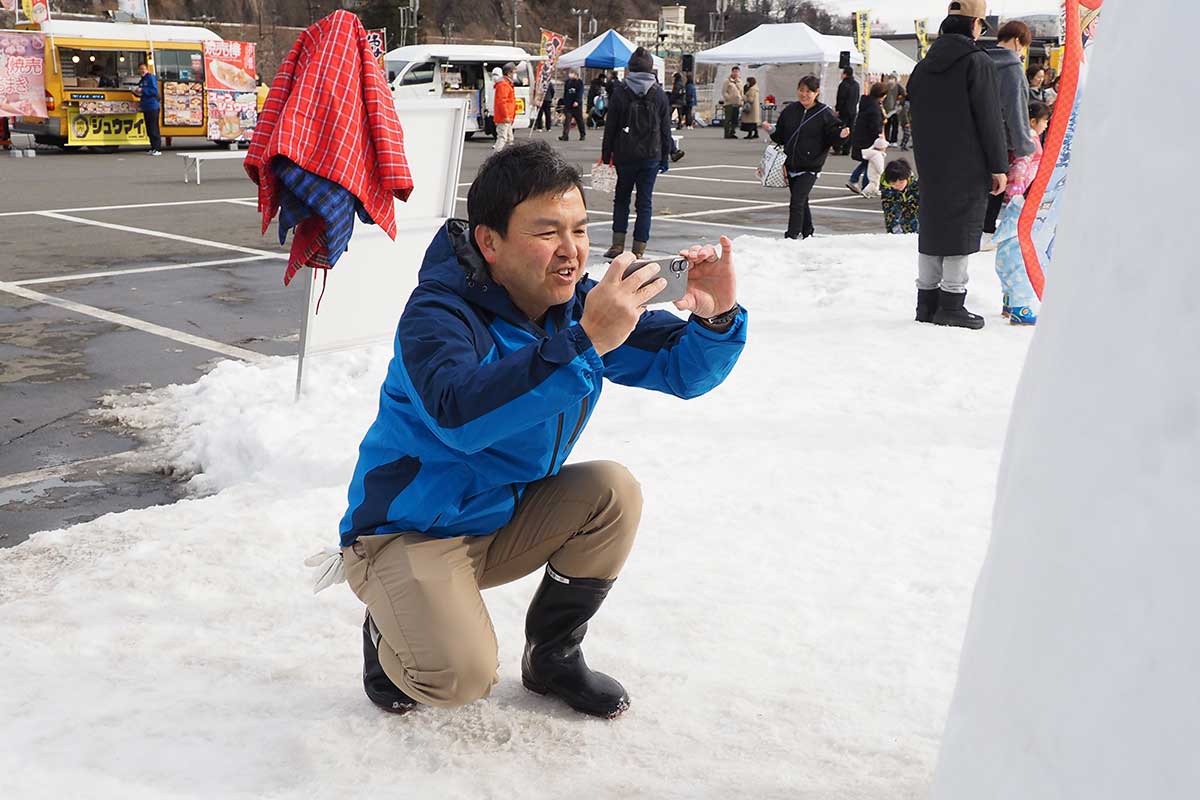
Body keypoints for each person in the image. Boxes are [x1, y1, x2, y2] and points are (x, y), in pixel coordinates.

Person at [337, 140, 747, 720]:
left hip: (502, 517)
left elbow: (678, 368)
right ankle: (388, 634)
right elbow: (459, 416)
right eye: (548, 232)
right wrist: (583, 342)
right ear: (489, 241)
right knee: (460, 678)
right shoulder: (438, 314)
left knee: (612, 491)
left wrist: (716, 317)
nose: (571, 251)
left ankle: (553, 656)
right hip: (408, 532)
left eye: (580, 231)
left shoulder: (573, 305)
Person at [905, 0, 1008, 329]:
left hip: (931, 160)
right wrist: (998, 165)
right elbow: (990, 118)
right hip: (969, 161)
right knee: (961, 230)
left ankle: (927, 303)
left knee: (934, 227)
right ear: (974, 24)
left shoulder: (923, 65)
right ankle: (952, 303)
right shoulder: (977, 61)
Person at [600, 47, 673, 259]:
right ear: (651, 68)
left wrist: (607, 155)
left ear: (630, 68)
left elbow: (610, 126)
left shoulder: (621, 92)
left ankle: (617, 245)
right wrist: (665, 157)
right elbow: (665, 129)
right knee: (644, 202)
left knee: (621, 198)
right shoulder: (659, 93)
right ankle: (639, 248)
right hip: (651, 155)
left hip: (624, 154)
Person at [760, 76, 850, 240]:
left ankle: (791, 236)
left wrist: (841, 135)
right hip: (790, 164)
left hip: (811, 166)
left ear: (817, 93)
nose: (804, 94)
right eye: (801, 90)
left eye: (808, 91)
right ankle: (808, 231)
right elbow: (781, 137)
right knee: (801, 200)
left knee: (797, 200)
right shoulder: (790, 110)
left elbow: (833, 136)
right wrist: (771, 130)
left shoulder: (824, 113)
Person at [981, 20, 1037, 246]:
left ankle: (974, 231)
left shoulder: (979, 60)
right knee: (996, 187)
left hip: (972, 137)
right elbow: (1016, 110)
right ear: (1017, 41)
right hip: (1000, 140)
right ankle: (985, 233)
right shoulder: (1012, 68)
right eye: (1023, 46)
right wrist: (1025, 145)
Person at [846, 82, 887, 195]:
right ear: (881, 95)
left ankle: (860, 183)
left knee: (868, 161)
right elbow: (875, 126)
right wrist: (880, 140)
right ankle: (859, 182)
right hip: (869, 139)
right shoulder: (874, 108)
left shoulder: (866, 103)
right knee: (870, 162)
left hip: (861, 136)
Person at [881, 159, 920, 234]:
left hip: (914, 222)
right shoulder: (887, 189)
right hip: (896, 223)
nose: (898, 186)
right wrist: (894, 227)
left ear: (907, 178)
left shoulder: (916, 186)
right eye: (893, 184)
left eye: (901, 182)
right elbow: (889, 209)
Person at [131, 62, 162, 156]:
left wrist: (142, 90)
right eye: (140, 69)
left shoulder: (150, 78)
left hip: (152, 106)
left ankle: (157, 149)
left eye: (143, 69)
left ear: (147, 69)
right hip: (146, 106)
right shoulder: (143, 79)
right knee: (149, 128)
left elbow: (154, 91)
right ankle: (153, 148)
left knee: (153, 128)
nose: (141, 71)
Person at [834, 66, 861, 156]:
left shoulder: (843, 84)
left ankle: (838, 147)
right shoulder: (856, 85)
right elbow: (857, 98)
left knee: (840, 128)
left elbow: (840, 98)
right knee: (851, 129)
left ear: (845, 74)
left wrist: (837, 109)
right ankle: (847, 149)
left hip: (844, 110)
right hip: (853, 110)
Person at [492, 63, 517, 151]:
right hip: (504, 117)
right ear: (509, 73)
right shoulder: (504, 84)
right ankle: (496, 159)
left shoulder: (506, 84)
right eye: (514, 72)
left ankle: (508, 158)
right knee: (502, 138)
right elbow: (502, 102)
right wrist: (506, 115)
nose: (515, 74)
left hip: (506, 116)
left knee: (509, 139)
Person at [560, 69, 586, 141]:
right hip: (568, 105)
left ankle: (582, 134)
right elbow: (565, 93)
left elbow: (580, 93)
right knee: (567, 120)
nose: (570, 75)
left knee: (579, 120)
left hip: (576, 105)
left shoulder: (579, 82)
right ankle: (565, 135)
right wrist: (563, 102)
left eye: (572, 73)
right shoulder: (568, 82)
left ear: (576, 74)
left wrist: (577, 101)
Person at [721, 66, 743, 139]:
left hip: (737, 103)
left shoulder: (740, 81)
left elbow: (741, 92)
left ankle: (732, 132)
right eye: (734, 71)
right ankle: (727, 133)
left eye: (737, 72)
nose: (736, 73)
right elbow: (724, 92)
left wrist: (741, 100)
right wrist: (728, 98)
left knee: (735, 119)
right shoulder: (727, 81)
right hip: (729, 103)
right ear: (732, 72)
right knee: (728, 119)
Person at [883, 74, 902, 143]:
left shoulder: (886, 86)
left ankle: (888, 139)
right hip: (893, 108)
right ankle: (892, 140)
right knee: (893, 125)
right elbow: (904, 94)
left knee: (889, 125)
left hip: (890, 108)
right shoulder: (897, 86)